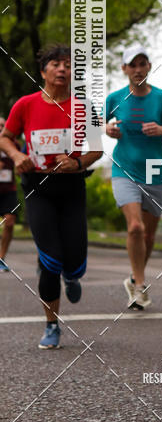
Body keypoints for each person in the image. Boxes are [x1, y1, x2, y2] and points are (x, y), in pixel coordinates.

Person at [0, 45, 103, 348]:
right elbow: (6, 137)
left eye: (69, 65)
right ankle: (51, 324)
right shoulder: (25, 104)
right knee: (50, 259)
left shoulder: (84, 106)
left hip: (72, 187)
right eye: (56, 64)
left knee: (74, 263)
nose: (63, 69)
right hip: (37, 187)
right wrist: (17, 155)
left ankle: (72, 276)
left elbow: (97, 148)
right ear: (43, 71)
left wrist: (78, 162)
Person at [105, 43, 162, 310]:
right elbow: (96, 126)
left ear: (149, 66)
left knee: (149, 237)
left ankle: (133, 278)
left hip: (155, 172)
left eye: (142, 64)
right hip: (124, 169)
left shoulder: (161, 98)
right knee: (136, 228)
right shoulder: (115, 98)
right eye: (133, 65)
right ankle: (140, 286)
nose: (138, 69)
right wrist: (108, 129)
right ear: (124, 69)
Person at [0, 117, 18, 271]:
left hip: (9, 190)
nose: (0, 128)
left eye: (2, 125)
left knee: (10, 221)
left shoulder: (14, 145)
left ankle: (1, 258)